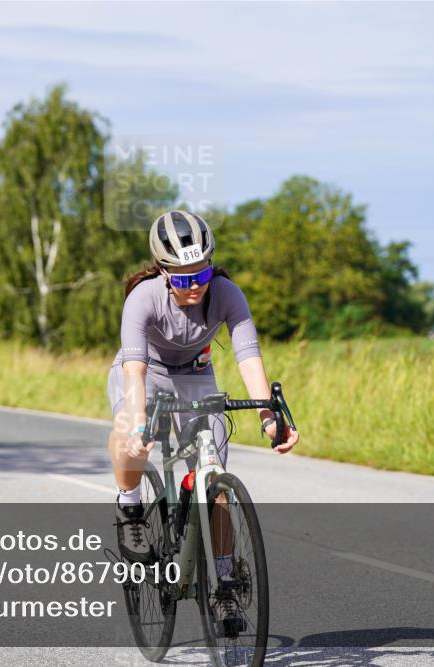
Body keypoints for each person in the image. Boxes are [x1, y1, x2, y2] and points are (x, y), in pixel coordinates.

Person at [107, 210, 300, 569]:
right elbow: (134, 372)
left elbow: (248, 358)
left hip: (196, 375)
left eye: (202, 274)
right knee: (128, 433)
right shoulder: (143, 297)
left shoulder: (227, 294)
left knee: (214, 474)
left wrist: (268, 419)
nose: (194, 286)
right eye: (182, 279)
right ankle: (130, 507)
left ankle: (225, 577)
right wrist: (136, 424)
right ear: (163, 272)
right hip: (146, 372)